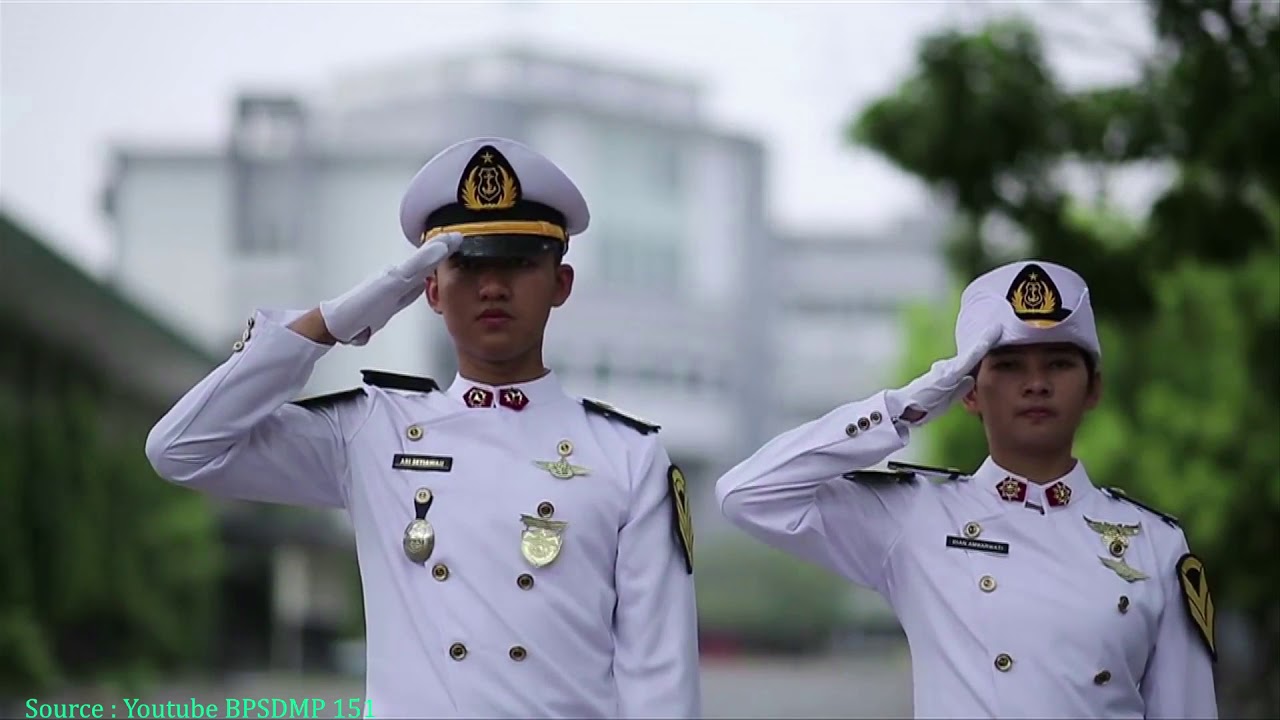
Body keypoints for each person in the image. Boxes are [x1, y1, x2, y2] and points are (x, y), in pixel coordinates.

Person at [146, 136, 701, 719]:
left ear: (560, 283)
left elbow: (659, 680)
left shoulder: (627, 455)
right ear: (430, 289)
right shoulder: (372, 432)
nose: (492, 286)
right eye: (466, 265)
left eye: (517, 261)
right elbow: (182, 448)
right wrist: (336, 320)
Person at [715, 260, 1217, 719]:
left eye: (1059, 364)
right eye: (1009, 365)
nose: (1036, 384)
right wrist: (905, 405)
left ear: (1094, 388)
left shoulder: (1154, 544)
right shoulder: (917, 519)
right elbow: (747, 495)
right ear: (969, 391)